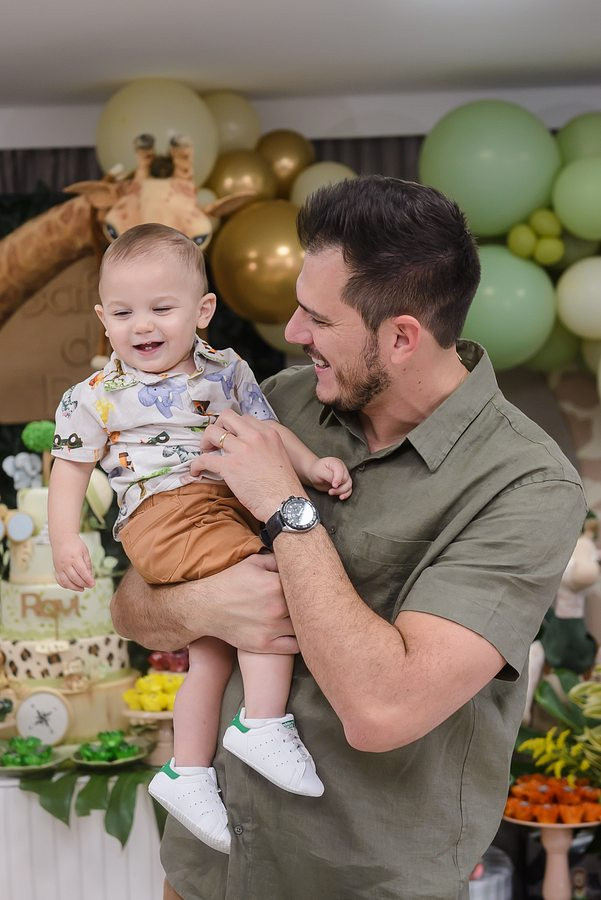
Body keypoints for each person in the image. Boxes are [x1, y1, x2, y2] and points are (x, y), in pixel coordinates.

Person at [110, 177, 587, 900]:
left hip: (358, 883)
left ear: (400, 337)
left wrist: (283, 505)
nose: (293, 333)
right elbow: (131, 606)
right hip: (208, 871)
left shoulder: (526, 486)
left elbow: (382, 711)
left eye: (317, 318)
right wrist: (203, 604)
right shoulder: (280, 402)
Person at [48, 223, 352, 854]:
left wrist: (311, 465)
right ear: (103, 319)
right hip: (165, 513)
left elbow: (262, 431)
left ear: (202, 310)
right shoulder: (95, 397)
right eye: (124, 313)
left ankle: (186, 771)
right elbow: (70, 469)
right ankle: (263, 722)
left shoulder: (226, 370)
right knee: (270, 583)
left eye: (162, 309)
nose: (143, 326)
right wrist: (65, 540)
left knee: (213, 649)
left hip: (222, 503)